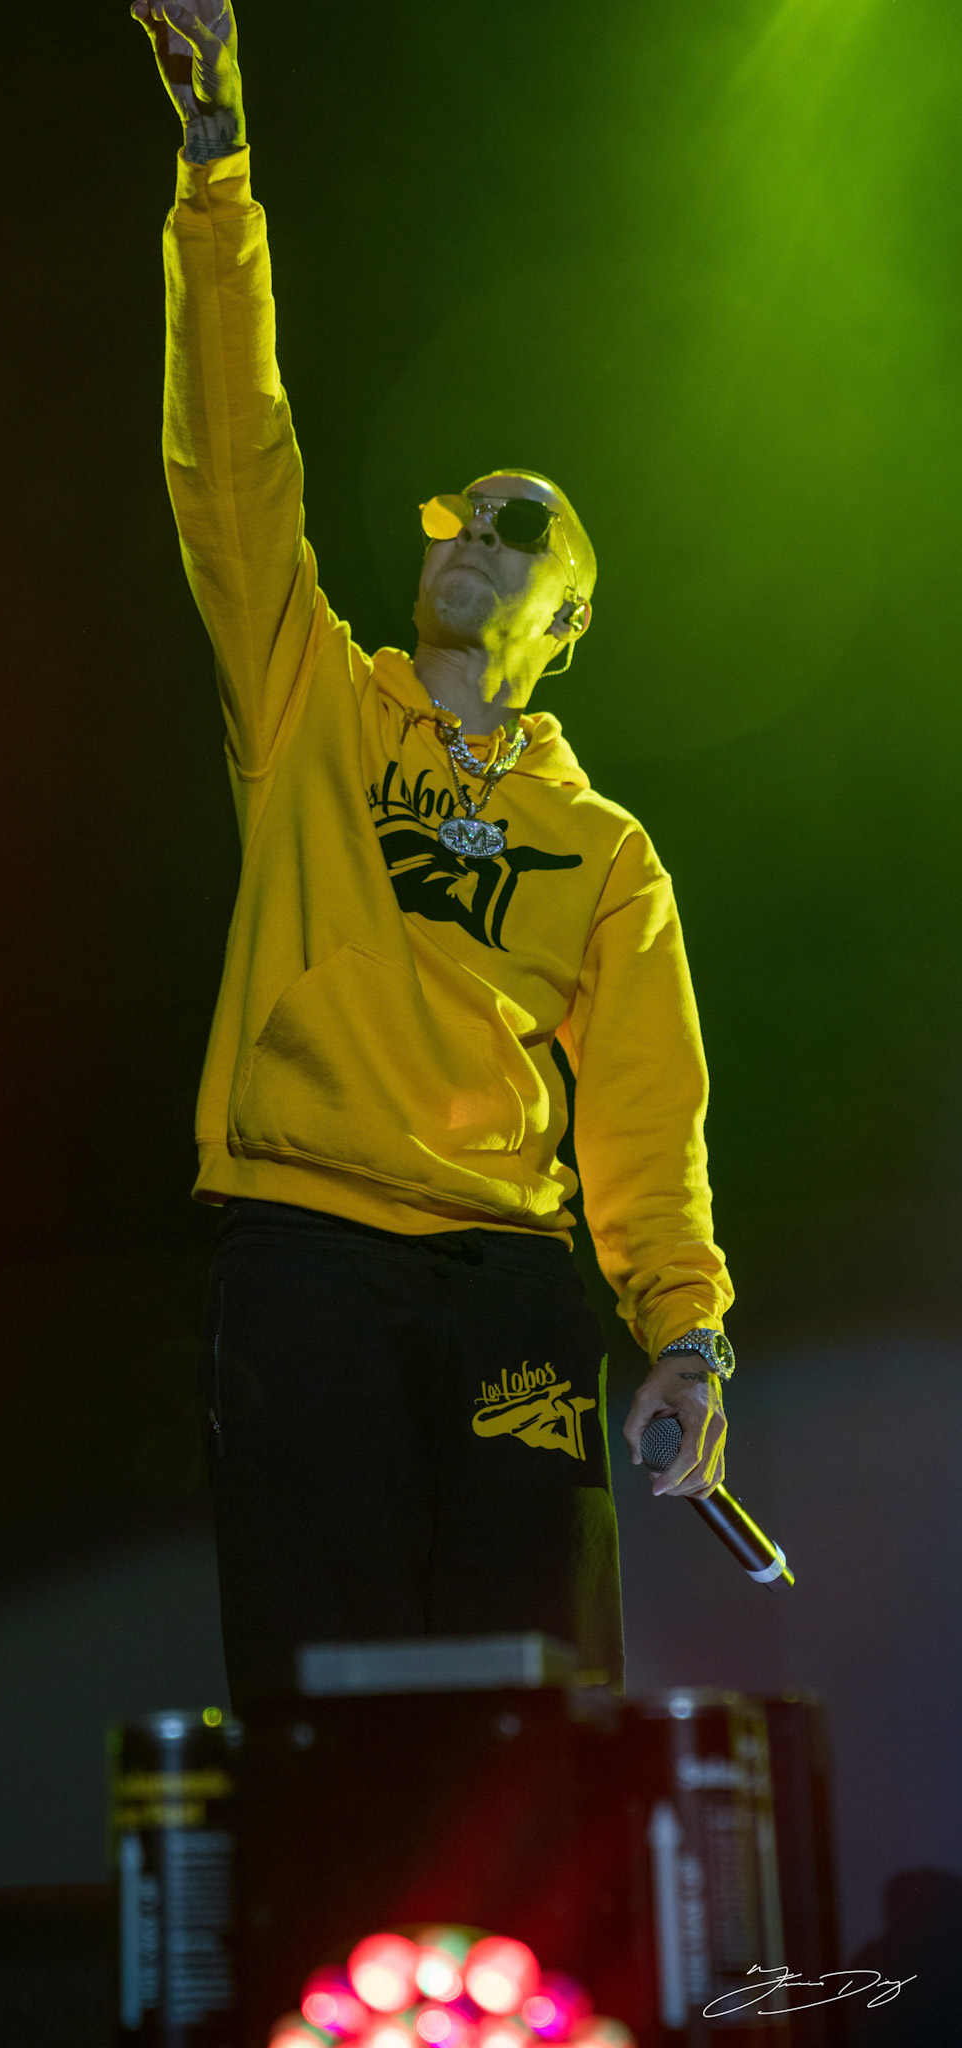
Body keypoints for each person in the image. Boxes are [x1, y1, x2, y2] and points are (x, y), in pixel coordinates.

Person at [132, 0, 735, 1709]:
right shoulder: (314, 701)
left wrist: (685, 1338)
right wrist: (215, 171)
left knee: (529, 1708)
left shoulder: (605, 851)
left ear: (572, 615)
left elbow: (648, 1121)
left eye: (515, 523)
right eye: (457, 514)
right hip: (304, 1251)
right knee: (319, 1701)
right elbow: (234, 472)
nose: (471, 532)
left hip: (509, 1287)